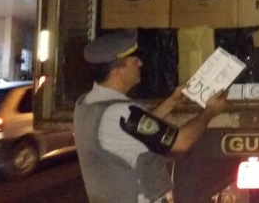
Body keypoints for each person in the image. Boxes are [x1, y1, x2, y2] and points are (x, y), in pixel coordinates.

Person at [73, 29, 227, 203]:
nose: (140, 63)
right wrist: (210, 111)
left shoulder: (88, 103)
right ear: (117, 71)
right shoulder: (120, 113)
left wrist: (171, 102)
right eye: (134, 60)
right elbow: (182, 141)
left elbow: (134, 130)